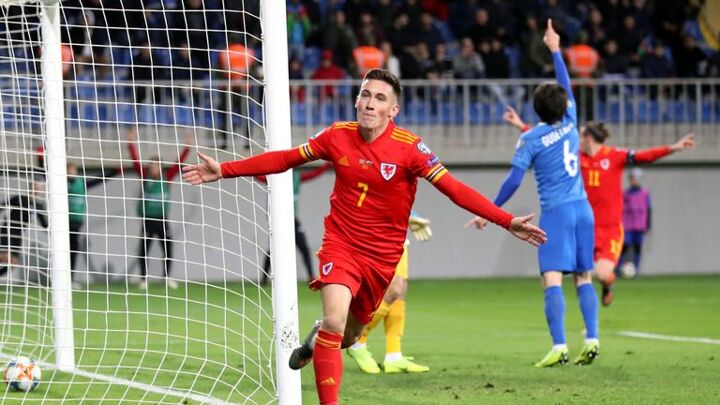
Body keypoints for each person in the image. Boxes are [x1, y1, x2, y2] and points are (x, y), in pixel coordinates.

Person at [183, 68, 546, 404]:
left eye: (380, 98)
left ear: (393, 110)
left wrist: (505, 220)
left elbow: (454, 189)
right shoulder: (336, 135)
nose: (370, 103)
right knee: (335, 320)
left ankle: (315, 339)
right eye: (365, 95)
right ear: (356, 100)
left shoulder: (410, 148)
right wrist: (225, 169)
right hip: (340, 244)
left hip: (382, 258)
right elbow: (286, 159)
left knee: (350, 336)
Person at [467, 20, 599, 368]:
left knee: (551, 277)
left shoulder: (530, 139)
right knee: (584, 275)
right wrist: (555, 50)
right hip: (583, 208)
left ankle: (559, 346)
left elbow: (513, 181)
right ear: (563, 105)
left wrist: (488, 211)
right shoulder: (571, 120)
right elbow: (566, 85)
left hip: (556, 211)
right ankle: (592, 338)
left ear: (535, 109)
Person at [502, 115, 694, 305]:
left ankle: (607, 285)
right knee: (580, 275)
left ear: (588, 138)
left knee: (602, 274)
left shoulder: (614, 156)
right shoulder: (577, 157)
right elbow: (550, 140)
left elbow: (644, 156)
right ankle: (587, 316)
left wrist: (672, 148)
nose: (577, 139)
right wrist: (522, 126)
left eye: (581, 135)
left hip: (610, 229)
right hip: (585, 227)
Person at [346, 212, 432, 374]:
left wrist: (409, 215)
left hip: (397, 231)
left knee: (400, 291)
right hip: (378, 232)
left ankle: (394, 355)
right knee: (394, 288)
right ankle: (357, 340)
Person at [127, 129, 192, 290]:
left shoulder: (167, 177)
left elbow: (178, 164)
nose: (153, 168)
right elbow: (135, 162)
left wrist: (187, 147)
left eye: (156, 165)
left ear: (160, 167)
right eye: (151, 165)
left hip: (162, 219)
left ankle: (167, 277)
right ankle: (143, 279)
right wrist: (130, 143)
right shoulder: (145, 177)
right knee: (144, 249)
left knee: (168, 247)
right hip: (147, 220)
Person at [258, 163, 333, 286]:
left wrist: (326, 166)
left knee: (303, 248)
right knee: (273, 249)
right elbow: (259, 177)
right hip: (279, 221)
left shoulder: (296, 178)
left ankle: (311, 276)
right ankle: (264, 278)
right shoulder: (274, 179)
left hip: (293, 220)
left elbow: (313, 175)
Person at [66, 162, 121, 288]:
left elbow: (97, 181)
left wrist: (113, 173)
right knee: (64, 251)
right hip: (64, 222)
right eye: (70, 171)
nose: (72, 173)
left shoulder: (81, 183)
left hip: (77, 222)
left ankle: (70, 279)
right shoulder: (61, 183)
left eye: (74, 170)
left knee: (73, 251)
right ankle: (61, 278)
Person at [1, 182, 48, 280]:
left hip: (18, 235)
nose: (39, 188)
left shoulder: (38, 205)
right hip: (8, 231)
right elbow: (2, 205)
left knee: (13, 263)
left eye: (40, 186)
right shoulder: (19, 199)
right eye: (37, 185)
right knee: (5, 257)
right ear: (31, 187)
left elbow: (44, 224)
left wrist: (53, 233)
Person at [619, 169, 651, 276]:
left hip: (639, 225)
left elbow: (649, 209)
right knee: (624, 247)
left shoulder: (645, 193)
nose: (632, 180)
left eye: (634, 178)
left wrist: (648, 225)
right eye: (631, 178)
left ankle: (636, 270)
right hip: (627, 224)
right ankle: (619, 269)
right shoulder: (625, 194)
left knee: (637, 247)